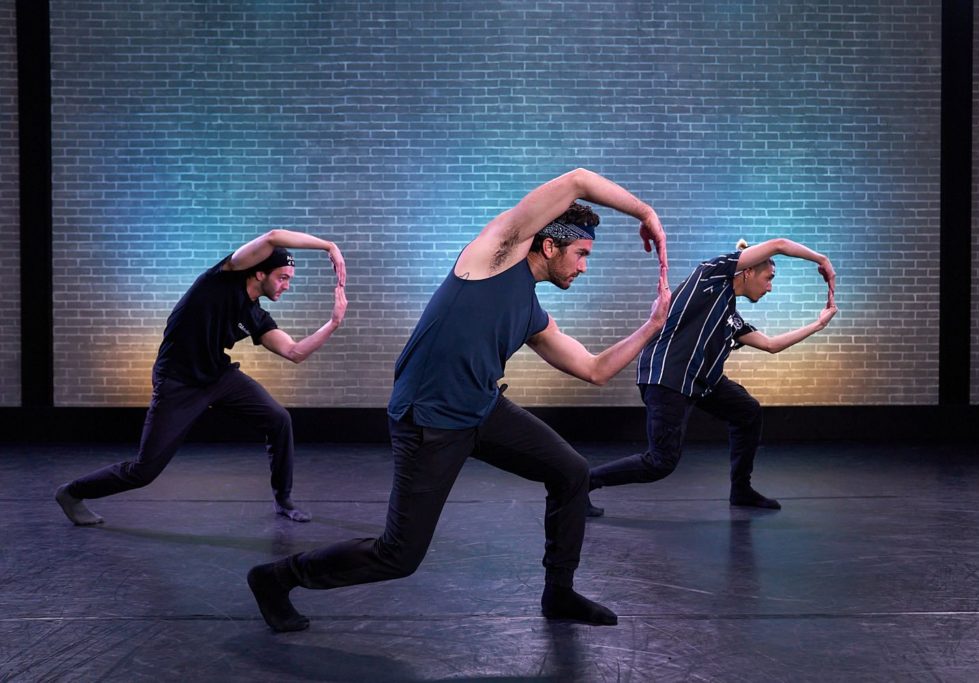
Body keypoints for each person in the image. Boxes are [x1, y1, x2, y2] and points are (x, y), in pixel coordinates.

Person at [247, 168, 671, 632]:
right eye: (582, 254)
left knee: (572, 473)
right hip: (429, 421)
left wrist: (651, 328)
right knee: (399, 555)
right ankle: (277, 577)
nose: (584, 267)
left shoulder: (531, 311)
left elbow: (595, 370)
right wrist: (645, 212)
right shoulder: (491, 257)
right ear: (550, 245)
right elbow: (577, 180)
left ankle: (559, 592)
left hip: (482, 410)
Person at [55, 229, 347, 526]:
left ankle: (283, 499)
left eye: (289, 280)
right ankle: (71, 492)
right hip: (178, 382)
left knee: (279, 419)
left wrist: (333, 323)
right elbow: (273, 237)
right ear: (259, 273)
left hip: (218, 377)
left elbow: (295, 352)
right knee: (144, 471)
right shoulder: (222, 278)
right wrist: (328, 245)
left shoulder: (255, 315)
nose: (286, 286)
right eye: (282, 278)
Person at [586, 237, 838, 516]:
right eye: (768, 278)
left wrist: (818, 324)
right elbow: (778, 244)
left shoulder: (730, 314)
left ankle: (741, 489)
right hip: (668, 380)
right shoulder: (711, 275)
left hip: (700, 382)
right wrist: (822, 260)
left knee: (747, 412)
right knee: (661, 462)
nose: (770, 287)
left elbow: (770, 345)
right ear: (748, 271)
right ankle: (582, 483)